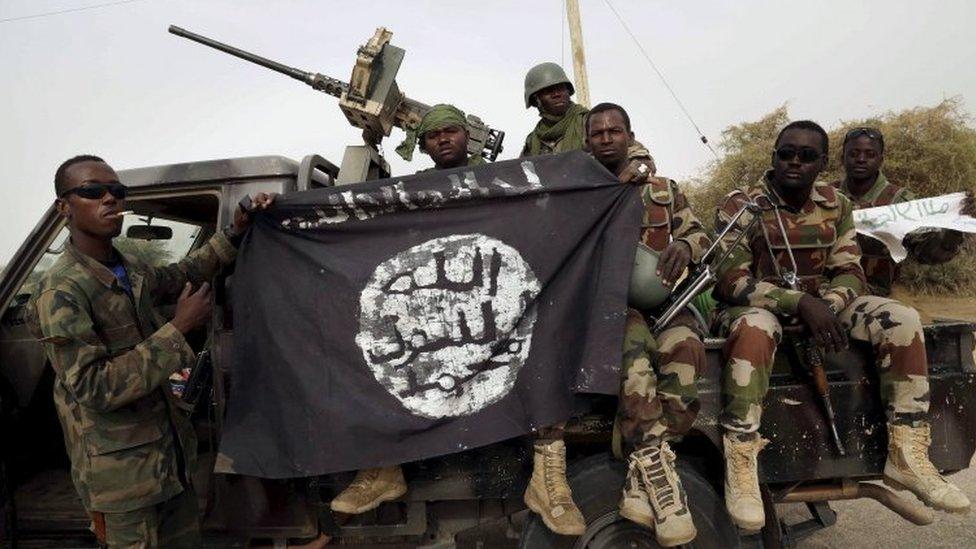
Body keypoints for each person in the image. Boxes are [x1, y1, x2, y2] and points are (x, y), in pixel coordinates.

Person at [711, 121, 970, 531]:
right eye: (786, 153)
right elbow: (732, 280)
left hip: (824, 306)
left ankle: (906, 452)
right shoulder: (744, 204)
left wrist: (828, 304)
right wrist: (799, 303)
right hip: (758, 306)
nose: (795, 161)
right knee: (756, 329)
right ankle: (741, 460)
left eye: (807, 155)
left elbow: (849, 271)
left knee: (900, 317)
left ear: (823, 163)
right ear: (773, 157)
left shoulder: (836, 203)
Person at [30, 155, 273, 547]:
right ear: (64, 208)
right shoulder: (62, 291)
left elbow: (184, 275)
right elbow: (94, 387)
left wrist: (234, 231)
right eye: (93, 192)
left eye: (117, 192)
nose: (110, 199)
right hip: (121, 485)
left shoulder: (130, 267)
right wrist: (178, 329)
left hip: (169, 464)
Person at [586, 102, 711, 546]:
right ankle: (662, 482)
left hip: (668, 304)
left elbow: (698, 232)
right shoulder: (579, 193)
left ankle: (644, 474)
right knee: (633, 356)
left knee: (688, 351)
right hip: (613, 309)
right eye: (597, 133)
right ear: (587, 142)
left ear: (628, 134)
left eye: (614, 131)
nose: (606, 139)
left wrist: (687, 247)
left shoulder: (662, 189)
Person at [833, 126, 974, 296]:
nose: (861, 159)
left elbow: (927, 254)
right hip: (824, 292)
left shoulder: (900, 203)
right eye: (854, 153)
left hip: (874, 297)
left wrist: (954, 226)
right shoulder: (826, 197)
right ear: (843, 158)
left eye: (870, 154)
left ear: (881, 160)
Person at [521, 62, 656, 184]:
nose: (557, 94)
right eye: (548, 91)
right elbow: (521, 175)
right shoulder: (533, 141)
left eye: (561, 88)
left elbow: (639, 156)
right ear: (535, 100)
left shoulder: (591, 123)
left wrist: (641, 167)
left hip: (594, 195)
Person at [394, 103, 486, 169]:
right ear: (424, 146)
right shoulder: (418, 187)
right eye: (433, 136)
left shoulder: (492, 176)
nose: (442, 139)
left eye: (451, 131)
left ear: (467, 136)